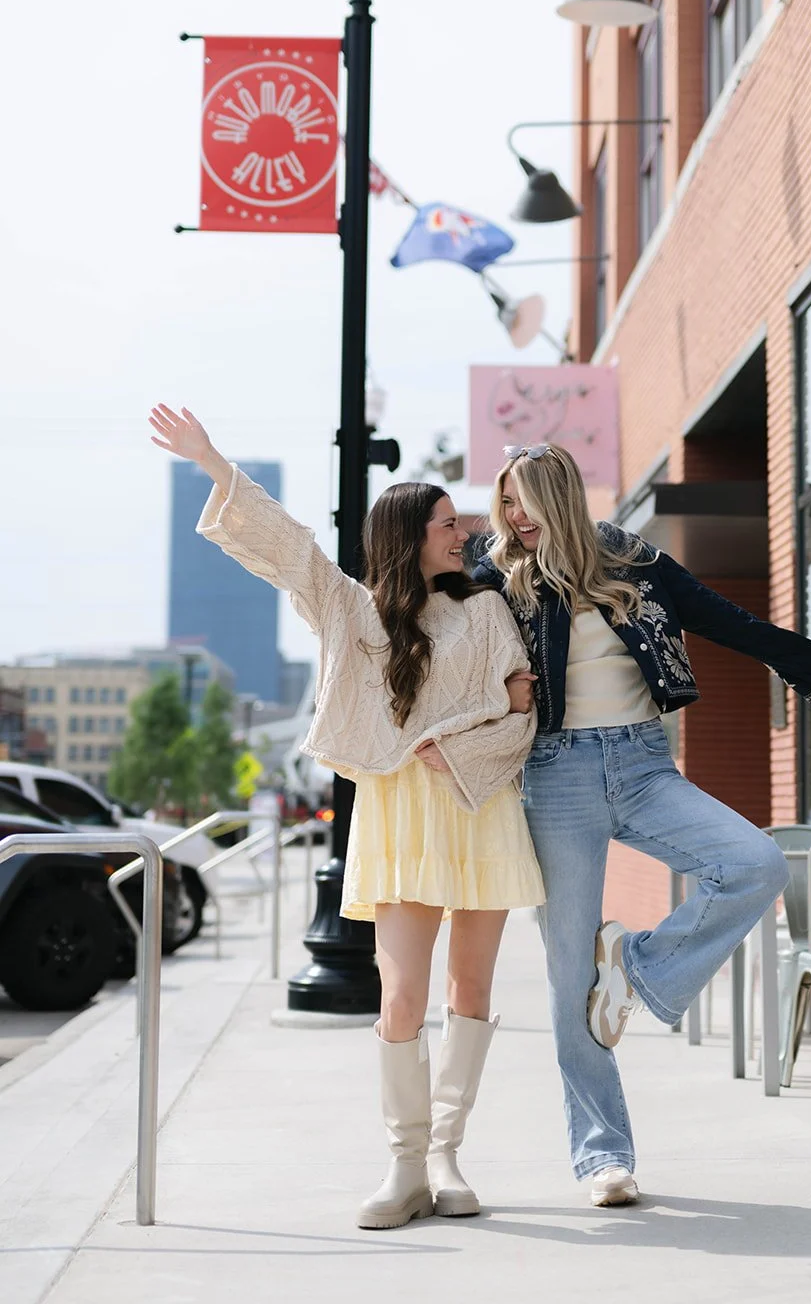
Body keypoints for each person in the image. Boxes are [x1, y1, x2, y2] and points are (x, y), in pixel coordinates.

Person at [149, 405, 543, 1230]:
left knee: (470, 988)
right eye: (445, 523)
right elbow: (292, 552)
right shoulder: (353, 610)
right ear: (408, 535)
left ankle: (445, 1154)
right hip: (400, 818)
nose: (461, 532)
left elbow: (522, 714)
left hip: (479, 808)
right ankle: (403, 1165)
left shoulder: (488, 611)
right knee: (400, 997)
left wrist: (462, 744)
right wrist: (217, 467)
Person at [473, 441, 811, 1208]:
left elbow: (724, 619)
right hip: (554, 776)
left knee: (754, 863)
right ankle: (602, 1158)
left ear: (561, 498)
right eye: (505, 503)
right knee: (567, 981)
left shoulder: (634, 562)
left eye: (527, 501)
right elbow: (436, 635)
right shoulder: (495, 577)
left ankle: (639, 967)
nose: (515, 517)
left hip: (644, 765)